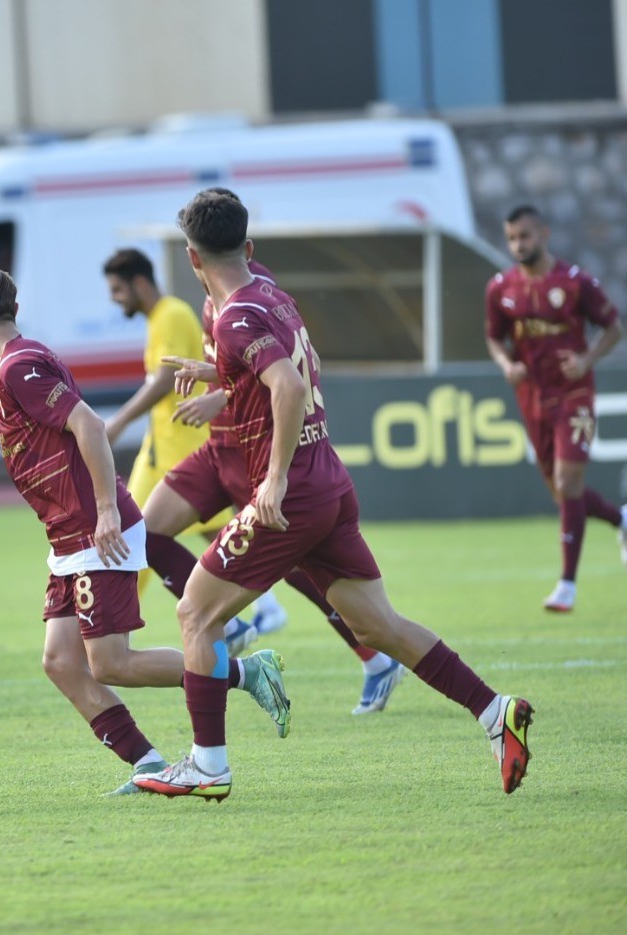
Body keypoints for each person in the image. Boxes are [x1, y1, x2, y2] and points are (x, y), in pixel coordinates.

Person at [0, 266, 291, 794]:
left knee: (110, 663)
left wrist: (106, 508)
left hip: (93, 531)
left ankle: (245, 674)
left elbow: (87, 424)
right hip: (68, 539)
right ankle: (147, 763)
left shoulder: (22, 365)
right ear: (11, 309)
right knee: (62, 661)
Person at [133, 189, 533, 800]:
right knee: (378, 627)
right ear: (249, 245)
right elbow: (284, 365)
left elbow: (288, 386)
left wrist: (272, 479)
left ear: (191, 257)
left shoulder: (235, 314)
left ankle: (207, 764)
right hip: (329, 483)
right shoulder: (271, 295)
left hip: (292, 496)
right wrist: (221, 377)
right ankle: (493, 710)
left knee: (194, 612)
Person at [144, 254, 406, 716]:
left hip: (255, 455)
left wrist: (219, 398)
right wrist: (215, 380)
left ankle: (375, 657)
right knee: (149, 529)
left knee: (302, 569)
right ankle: (230, 619)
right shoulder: (212, 298)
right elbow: (239, 368)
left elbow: (294, 371)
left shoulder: (255, 288)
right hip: (217, 451)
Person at [102, 247, 287, 644]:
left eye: (118, 289)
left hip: (182, 448)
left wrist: (118, 422)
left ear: (139, 282)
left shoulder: (170, 314)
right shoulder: (160, 318)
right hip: (166, 448)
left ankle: (118, 627)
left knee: (142, 535)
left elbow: (164, 380)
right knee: (155, 535)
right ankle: (260, 608)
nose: (114, 299)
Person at [485, 204, 625, 612]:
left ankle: (567, 584)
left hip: (574, 394)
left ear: (544, 234)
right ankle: (621, 519)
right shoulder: (500, 289)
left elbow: (614, 327)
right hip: (532, 398)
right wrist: (507, 364)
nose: (518, 245)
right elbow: (494, 339)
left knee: (568, 482)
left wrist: (586, 360)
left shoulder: (575, 282)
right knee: (563, 493)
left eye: (524, 236)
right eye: (511, 238)